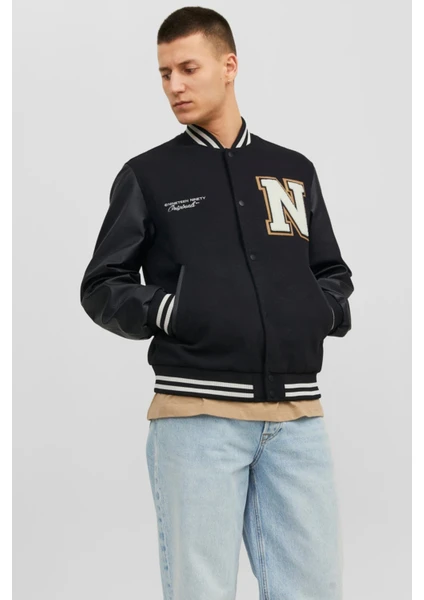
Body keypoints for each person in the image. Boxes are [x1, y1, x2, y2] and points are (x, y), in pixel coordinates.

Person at [80, 6, 354, 599]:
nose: (174, 86)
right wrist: (174, 311)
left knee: (315, 587)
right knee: (201, 591)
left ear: (229, 66)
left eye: (188, 68)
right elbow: (102, 284)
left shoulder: (292, 171)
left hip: (296, 418)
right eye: (164, 74)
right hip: (196, 417)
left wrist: (323, 311)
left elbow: (331, 271)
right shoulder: (149, 175)